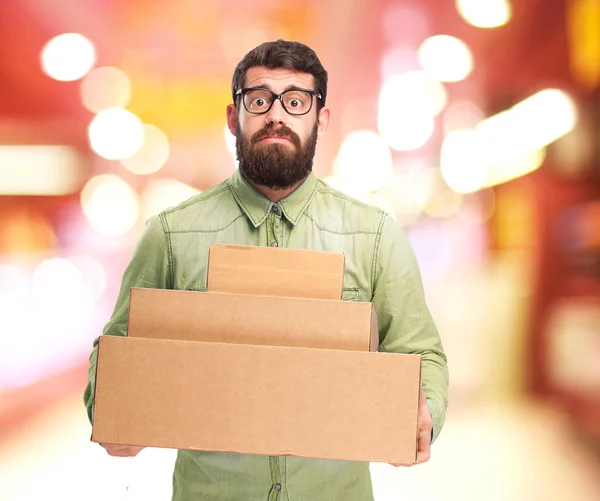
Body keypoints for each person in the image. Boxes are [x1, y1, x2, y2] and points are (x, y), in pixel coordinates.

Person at [84, 39, 449, 501]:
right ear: (235, 117)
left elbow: (421, 351)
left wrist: (424, 411)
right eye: (260, 99)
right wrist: (111, 403)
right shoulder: (171, 236)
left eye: (296, 101)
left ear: (321, 118)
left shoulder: (375, 237)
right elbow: (117, 349)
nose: (277, 115)